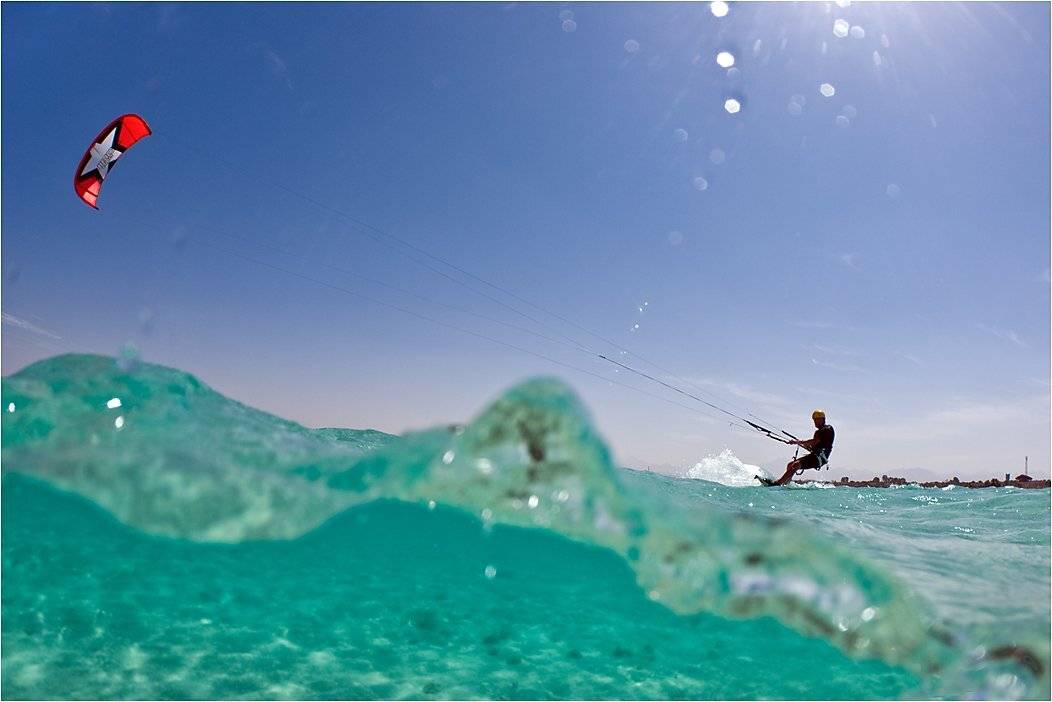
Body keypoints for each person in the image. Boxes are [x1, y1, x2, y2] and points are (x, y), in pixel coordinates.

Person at [759, 410, 835, 486]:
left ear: (823, 419)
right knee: (790, 465)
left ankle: (777, 483)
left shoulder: (828, 429)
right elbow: (813, 445)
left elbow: (814, 441)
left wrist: (798, 442)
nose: (815, 422)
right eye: (814, 420)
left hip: (820, 458)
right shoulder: (817, 432)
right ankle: (786, 484)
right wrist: (801, 444)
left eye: (817, 419)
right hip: (814, 456)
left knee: (796, 465)